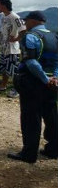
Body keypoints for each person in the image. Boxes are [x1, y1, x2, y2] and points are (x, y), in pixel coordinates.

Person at [7, 11, 58, 163]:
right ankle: (53, 150)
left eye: (26, 20)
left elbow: (31, 62)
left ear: (32, 21)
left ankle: (29, 153)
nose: (25, 23)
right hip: (52, 84)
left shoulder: (30, 37)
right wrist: (54, 78)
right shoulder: (55, 37)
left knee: (31, 118)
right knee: (51, 115)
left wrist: (44, 79)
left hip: (33, 82)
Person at [0, 0, 26, 98]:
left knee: (14, 70)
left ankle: (17, 89)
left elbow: (23, 29)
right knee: (4, 69)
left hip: (12, 49)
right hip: (4, 48)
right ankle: (3, 86)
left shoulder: (14, 17)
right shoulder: (3, 17)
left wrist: (16, 38)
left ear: (3, 5)